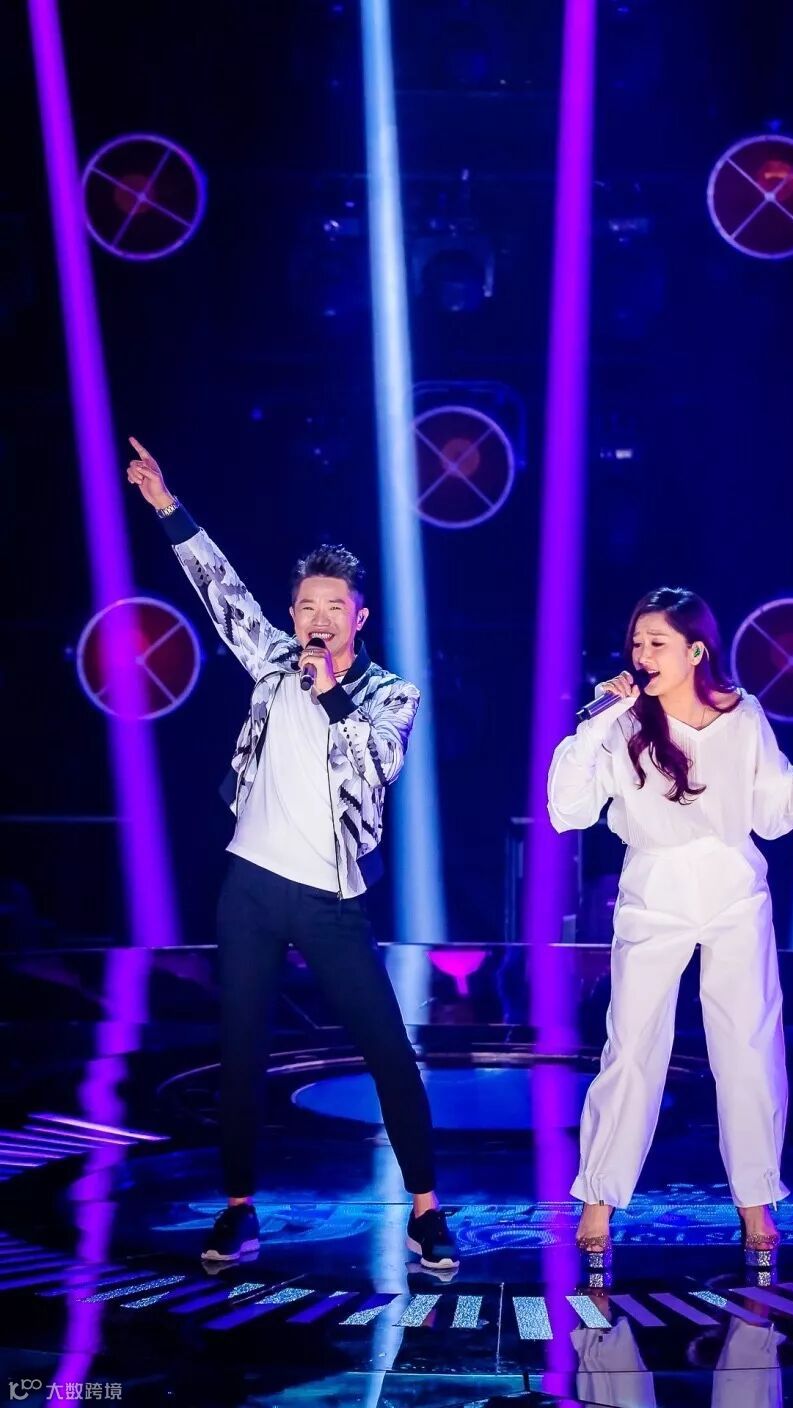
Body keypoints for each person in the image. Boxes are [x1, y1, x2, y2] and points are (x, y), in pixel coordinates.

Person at [126, 437, 458, 1270]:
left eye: (332, 605)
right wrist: (168, 507)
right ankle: (239, 1209)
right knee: (240, 1050)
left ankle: (425, 1210)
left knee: (387, 1052)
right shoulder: (274, 662)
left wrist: (332, 691)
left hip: (328, 900)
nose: (316, 618)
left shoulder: (391, 693)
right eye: (306, 604)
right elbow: (222, 593)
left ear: (358, 617)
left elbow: (377, 765)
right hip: (251, 887)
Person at [547, 587, 793, 1266]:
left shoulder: (742, 715)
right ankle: (598, 1200)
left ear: (695, 651)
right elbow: (566, 811)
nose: (642, 655)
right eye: (636, 643)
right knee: (632, 1047)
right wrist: (595, 726)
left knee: (747, 1047)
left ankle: (755, 1200)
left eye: (656, 643)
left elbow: (773, 809)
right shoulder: (622, 723)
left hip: (732, 889)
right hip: (653, 888)